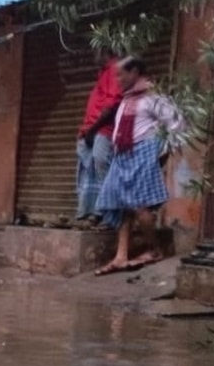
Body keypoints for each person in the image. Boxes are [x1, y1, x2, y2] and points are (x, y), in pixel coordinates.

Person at [93, 57, 185, 275]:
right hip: (122, 155)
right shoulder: (127, 99)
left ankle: (154, 249)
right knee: (122, 206)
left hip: (141, 152)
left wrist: (162, 152)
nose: (117, 79)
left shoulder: (153, 97)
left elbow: (177, 124)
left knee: (139, 205)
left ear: (134, 71)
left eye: (121, 74)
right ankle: (120, 256)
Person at [77, 54, 123, 226]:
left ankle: (108, 216)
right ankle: (94, 213)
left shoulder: (113, 69)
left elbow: (111, 105)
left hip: (102, 130)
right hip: (92, 130)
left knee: (102, 169)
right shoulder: (103, 72)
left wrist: (93, 129)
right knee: (91, 173)